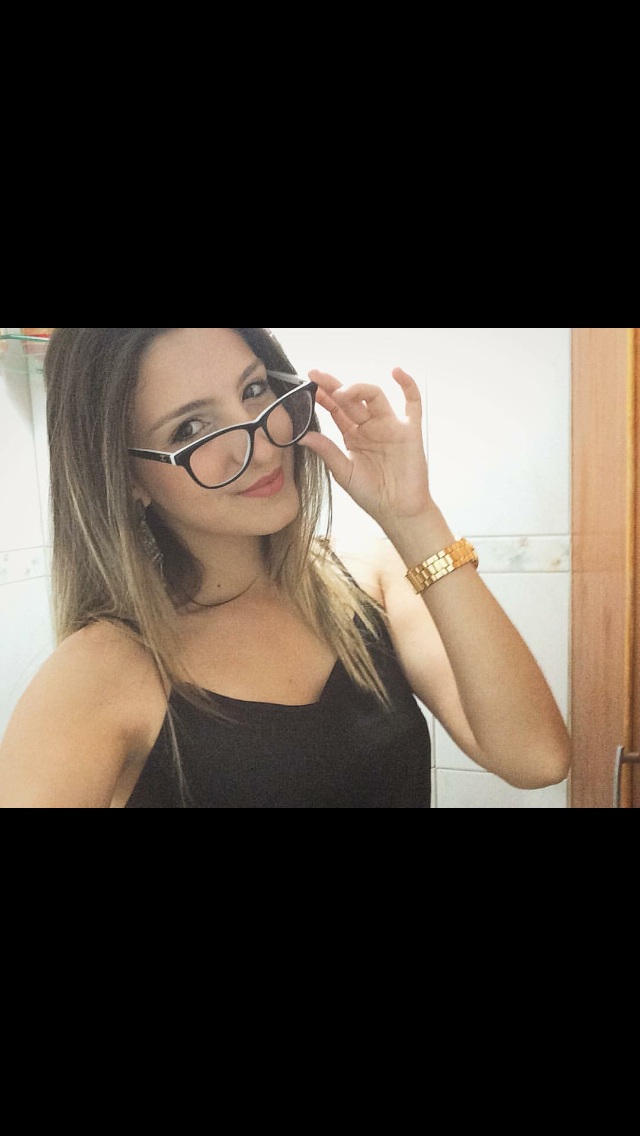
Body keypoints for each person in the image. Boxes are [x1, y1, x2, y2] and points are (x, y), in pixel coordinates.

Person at [0, 328, 571, 808]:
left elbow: (536, 759)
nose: (262, 444)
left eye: (253, 390)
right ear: (126, 478)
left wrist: (415, 519)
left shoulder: (368, 579)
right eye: (191, 428)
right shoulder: (101, 672)